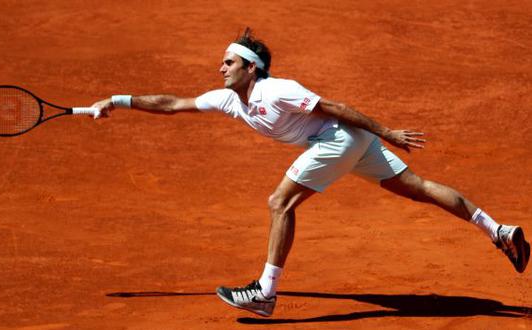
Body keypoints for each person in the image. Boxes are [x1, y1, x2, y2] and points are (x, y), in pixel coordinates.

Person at [90, 28, 529, 317]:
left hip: (340, 137)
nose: (220, 68)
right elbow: (171, 104)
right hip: (346, 144)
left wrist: (386, 131)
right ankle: (499, 231)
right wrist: (116, 99)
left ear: (251, 67)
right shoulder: (229, 100)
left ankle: (264, 293)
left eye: (228, 62)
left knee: (280, 201)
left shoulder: (277, 89)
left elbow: (334, 108)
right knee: (416, 188)